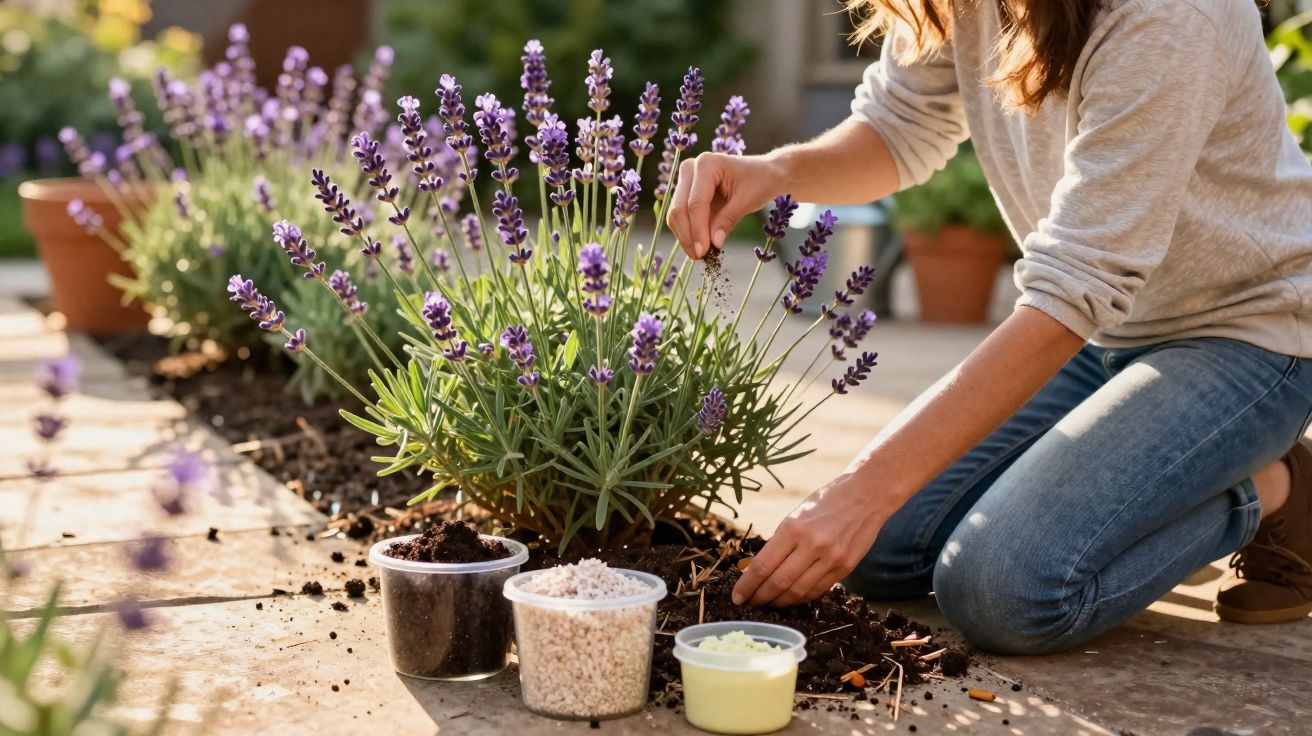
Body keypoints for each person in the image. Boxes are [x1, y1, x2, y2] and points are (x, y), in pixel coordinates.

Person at [666, 0, 1312, 655]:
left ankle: (1274, 483)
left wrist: (864, 487)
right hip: (1107, 334)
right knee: (881, 551)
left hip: (1249, 334)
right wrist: (775, 173)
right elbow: (899, 127)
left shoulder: (1173, 15)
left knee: (1003, 590)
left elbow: (1079, 280)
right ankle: (1159, 471)